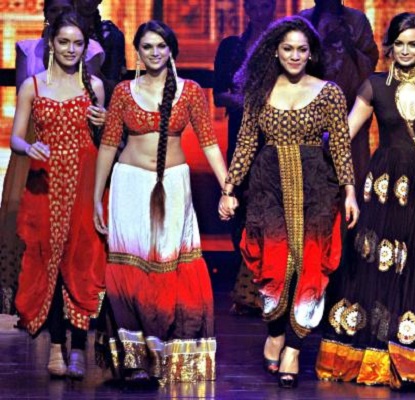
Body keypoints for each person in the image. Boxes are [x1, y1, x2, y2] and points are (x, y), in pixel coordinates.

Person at [316, 13, 415, 390]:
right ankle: (380, 357)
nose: (405, 51)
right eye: (399, 44)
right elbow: (345, 133)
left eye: (413, 44)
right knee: (382, 266)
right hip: (386, 187)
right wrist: (314, 141)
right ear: (389, 47)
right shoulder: (374, 86)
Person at [218, 16, 358, 388]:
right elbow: (246, 143)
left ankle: (294, 348)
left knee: (310, 265)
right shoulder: (260, 91)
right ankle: (276, 331)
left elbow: (340, 145)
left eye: (301, 49)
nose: (295, 56)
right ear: (275, 52)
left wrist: (349, 191)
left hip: (317, 188)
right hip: (268, 188)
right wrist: (229, 189)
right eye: (288, 49)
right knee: (275, 265)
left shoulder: (329, 93)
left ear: (311, 53)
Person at [94, 20, 227, 383]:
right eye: (147, 46)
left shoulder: (190, 91)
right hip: (129, 186)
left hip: (173, 186)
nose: (154, 53)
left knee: (169, 266)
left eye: (161, 46)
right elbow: (108, 145)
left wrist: (227, 187)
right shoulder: (124, 92)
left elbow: (209, 143)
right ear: (138, 52)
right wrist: (97, 197)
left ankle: (169, 355)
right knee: (131, 269)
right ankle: (135, 360)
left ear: (171, 51)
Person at [10, 12, 107, 379]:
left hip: (84, 181)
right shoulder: (32, 86)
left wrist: (103, 123)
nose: (70, 49)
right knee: (48, 261)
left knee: (81, 261)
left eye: (78, 43)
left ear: (86, 47)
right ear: (51, 44)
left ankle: (79, 347)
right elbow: (15, 136)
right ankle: (55, 346)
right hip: (46, 183)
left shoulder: (94, 86)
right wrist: (28, 147)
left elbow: (105, 140)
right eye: (64, 42)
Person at [213, 0, 276, 315]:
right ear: (247, 9)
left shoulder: (282, 46)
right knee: (239, 209)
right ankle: (245, 289)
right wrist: (248, 102)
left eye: (266, 5)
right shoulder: (232, 47)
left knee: (271, 211)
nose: (261, 11)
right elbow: (218, 94)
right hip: (241, 136)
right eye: (255, 6)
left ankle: (269, 288)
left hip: (276, 139)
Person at [299, 0, 379, 185]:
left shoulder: (356, 20)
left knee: (353, 174)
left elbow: (370, 60)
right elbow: (294, 62)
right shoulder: (305, 20)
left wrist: (346, 42)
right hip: (311, 112)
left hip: (351, 110)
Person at [74, 0, 127, 102]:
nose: (88, 1)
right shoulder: (57, 33)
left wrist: (96, 73)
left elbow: (115, 89)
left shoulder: (111, 35)